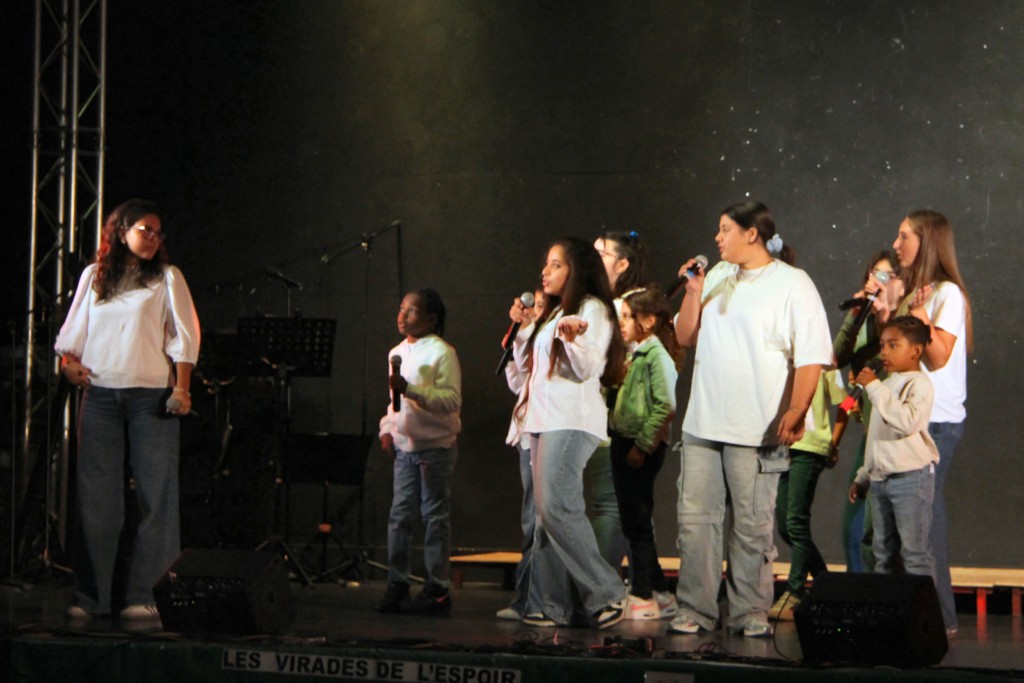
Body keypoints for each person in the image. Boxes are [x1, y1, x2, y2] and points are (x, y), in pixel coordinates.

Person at [670, 200, 832, 637]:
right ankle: (696, 609)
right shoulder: (717, 277)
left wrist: (797, 410)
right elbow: (685, 336)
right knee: (696, 524)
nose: (717, 238)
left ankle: (749, 612)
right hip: (702, 425)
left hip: (756, 430)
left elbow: (811, 356)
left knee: (752, 527)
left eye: (725, 229)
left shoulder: (793, 283)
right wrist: (692, 292)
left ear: (752, 233)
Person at [55, 198, 201, 621]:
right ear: (121, 232)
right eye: (144, 230)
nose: (153, 238)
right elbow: (72, 336)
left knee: (156, 499)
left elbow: (185, 335)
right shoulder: (94, 277)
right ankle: (91, 597)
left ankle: (146, 594)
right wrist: (68, 365)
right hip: (100, 395)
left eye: (158, 232)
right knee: (97, 502)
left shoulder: (167, 277)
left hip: (150, 398)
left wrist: (182, 387)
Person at [506, 237, 627, 629]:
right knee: (546, 515)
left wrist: (571, 339)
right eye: (546, 263)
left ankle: (607, 592)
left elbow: (587, 367)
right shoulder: (558, 311)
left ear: (577, 270)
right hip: (544, 420)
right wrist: (525, 329)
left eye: (555, 264)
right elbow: (528, 374)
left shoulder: (593, 309)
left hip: (571, 419)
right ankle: (551, 605)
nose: (545, 271)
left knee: (558, 507)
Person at [880, 210, 972, 636]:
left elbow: (938, 357)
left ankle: (940, 622)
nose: (896, 245)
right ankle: (908, 618)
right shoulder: (913, 295)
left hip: (934, 424)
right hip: (907, 423)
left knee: (925, 523)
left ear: (927, 242)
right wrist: (887, 313)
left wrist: (918, 314)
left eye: (904, 237)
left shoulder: (947, 295)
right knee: (903, 528)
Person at [376, 289, 462, 616]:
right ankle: (397, 583)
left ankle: (437, 589)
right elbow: (393, 402)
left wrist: (411, 390)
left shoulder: (442, 353)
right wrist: (388, 428)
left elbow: (451, 401)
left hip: (435, 449)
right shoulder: (396, 352)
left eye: (411, 311)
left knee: (434, 517)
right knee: (399, 517)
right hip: (405, 449)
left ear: (431, 318)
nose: (402, 316)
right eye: (401, 309)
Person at [609, 286, 681, 620]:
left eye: (628, 316)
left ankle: (642, 594)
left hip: (640, 446)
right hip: (625, 440)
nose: (622, 323)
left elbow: (665, 405)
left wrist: (642, 446)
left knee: (637, 522)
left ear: (649, 321)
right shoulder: (636, 355)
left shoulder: (656, 356)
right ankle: (659, 592)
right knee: (633, 520)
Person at [848, 316, 939, 582]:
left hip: (910, 478)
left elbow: (908, 422)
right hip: (880, 480)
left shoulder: (920, 384)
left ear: (916, 351)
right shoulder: (884, 387)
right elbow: (876, 438)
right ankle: (888, 607)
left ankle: (924, 608)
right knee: (883, 553)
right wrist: (863, 476)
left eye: (893, 345)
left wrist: (874, 387)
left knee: (914, 554)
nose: (884, 352)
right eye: (882, 345)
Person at [834, 250, 901, 572]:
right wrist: (855, 315)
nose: (877, 281)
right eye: (873, 275)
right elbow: (836, 358)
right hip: (870, 436)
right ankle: (860, 592)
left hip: (898, 438)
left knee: (882, 537)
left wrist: (886, 317)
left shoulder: (907, 322)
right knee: (854, 532)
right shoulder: (864, 322)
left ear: (901, 284)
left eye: (885, 276)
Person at [587, 230, 649, 571]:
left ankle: (598, 587)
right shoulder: (606, 304)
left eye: (602, 253)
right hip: (611, 420)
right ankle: (644, 584)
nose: (593, 258)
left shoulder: (625, 307)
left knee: (611, 505)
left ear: (622, 264)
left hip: (618, 422)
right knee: (627, 506)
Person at [769, 366, 847, 621]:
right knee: (785, 525)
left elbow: (846, 403)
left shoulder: (825, 362)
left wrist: (833, 443)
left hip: (810, 446)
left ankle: (795, 591)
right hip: (782, 445)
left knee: (796, 522)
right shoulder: (781, 356)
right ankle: (827, 584)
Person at [496, 289, 547, 621]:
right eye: (534, 305)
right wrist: (519, 337)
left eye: (541, 306)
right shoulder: (531, 338)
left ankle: (538, 599)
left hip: (545, 431)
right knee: (531, 519)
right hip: (526, 433)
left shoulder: (553, 336)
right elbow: (518, 383)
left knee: (540, 518)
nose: (534, 311)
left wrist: (526, 334)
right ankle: (529, 598)